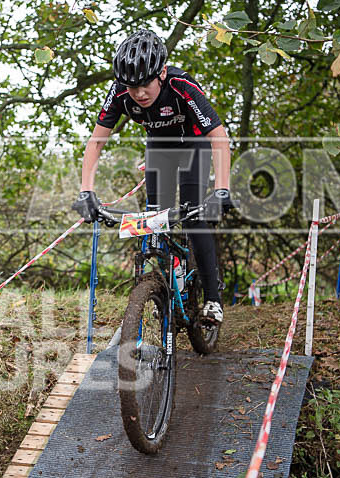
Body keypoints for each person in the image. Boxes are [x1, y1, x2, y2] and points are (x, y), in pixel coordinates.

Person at [71, 28, 234, 325]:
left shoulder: (181, 84)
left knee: (194, 217)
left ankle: (212, 297)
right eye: (132, 88)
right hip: (159, 148)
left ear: (160, 73)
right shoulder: (120, 91)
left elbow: (219, 137)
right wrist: (86, 191)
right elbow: (96, 142)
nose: (139, 94)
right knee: (153, 221)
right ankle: (165, 289)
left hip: (194, 147)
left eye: (145, 84)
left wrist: (222, 189)